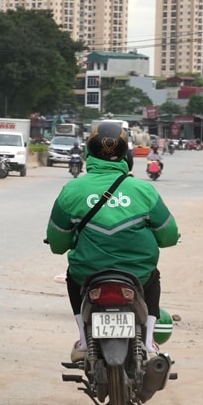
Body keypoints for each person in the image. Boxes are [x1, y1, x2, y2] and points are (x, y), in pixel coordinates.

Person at [46, 121, 180, 365]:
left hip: (87, 274)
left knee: (71, 276)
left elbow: (57, 244)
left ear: (88, 154)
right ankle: (149, 341)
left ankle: (84, 342)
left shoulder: (71, 191)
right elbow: (169, 236)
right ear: (126, 156)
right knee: (153, 277)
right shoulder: (143, 191)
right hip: (137, 274)